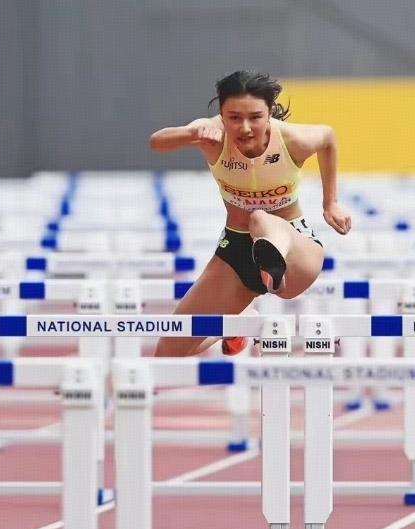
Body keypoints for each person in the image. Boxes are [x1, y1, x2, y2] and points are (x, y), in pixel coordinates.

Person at [148, 71, 351, 357]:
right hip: (236, 252)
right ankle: (240, 322)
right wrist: (193, 134)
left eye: (255, 117)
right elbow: (157, 142)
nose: (244, 128)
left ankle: (273, 262)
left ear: (269, 114)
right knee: (169, 350)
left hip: (295, 250)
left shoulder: (292, 139)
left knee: (260, 218)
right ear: (221, 114)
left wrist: (331, 203)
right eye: (234, 118)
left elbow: (328, 138)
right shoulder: (211, 133)